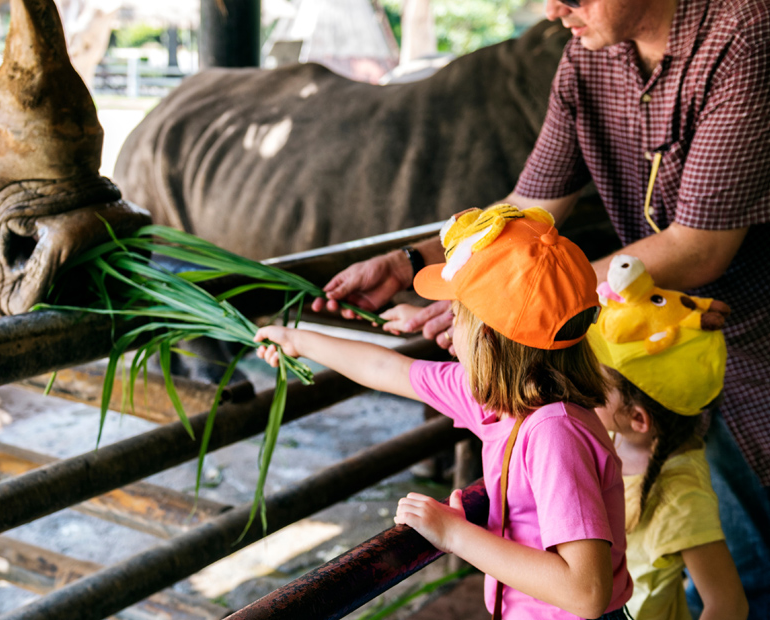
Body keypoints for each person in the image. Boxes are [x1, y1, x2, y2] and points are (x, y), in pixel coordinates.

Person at [312, 0, 770, 611]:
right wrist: (412, 263)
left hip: (750, 345)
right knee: (705, 544)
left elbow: (700, 245)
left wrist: (500, 294)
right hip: (649, 348)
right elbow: (529, 207)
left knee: (750, 549)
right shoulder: (588, 53)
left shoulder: (745, 32)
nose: (555, 9)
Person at [257, 206, 632, 620]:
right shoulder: (493, 401)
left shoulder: (554, 433)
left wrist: (454, 534)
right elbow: (388, 369)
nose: (450, 324)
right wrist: (299, 341)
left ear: (485, 336)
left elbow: (586, 592)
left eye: (456, 315)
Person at [589, 254, 747, 619]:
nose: (583, 382)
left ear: (638, 419)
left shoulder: (678, 496)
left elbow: (728, 604)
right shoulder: (614, 438)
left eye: (596, 380)